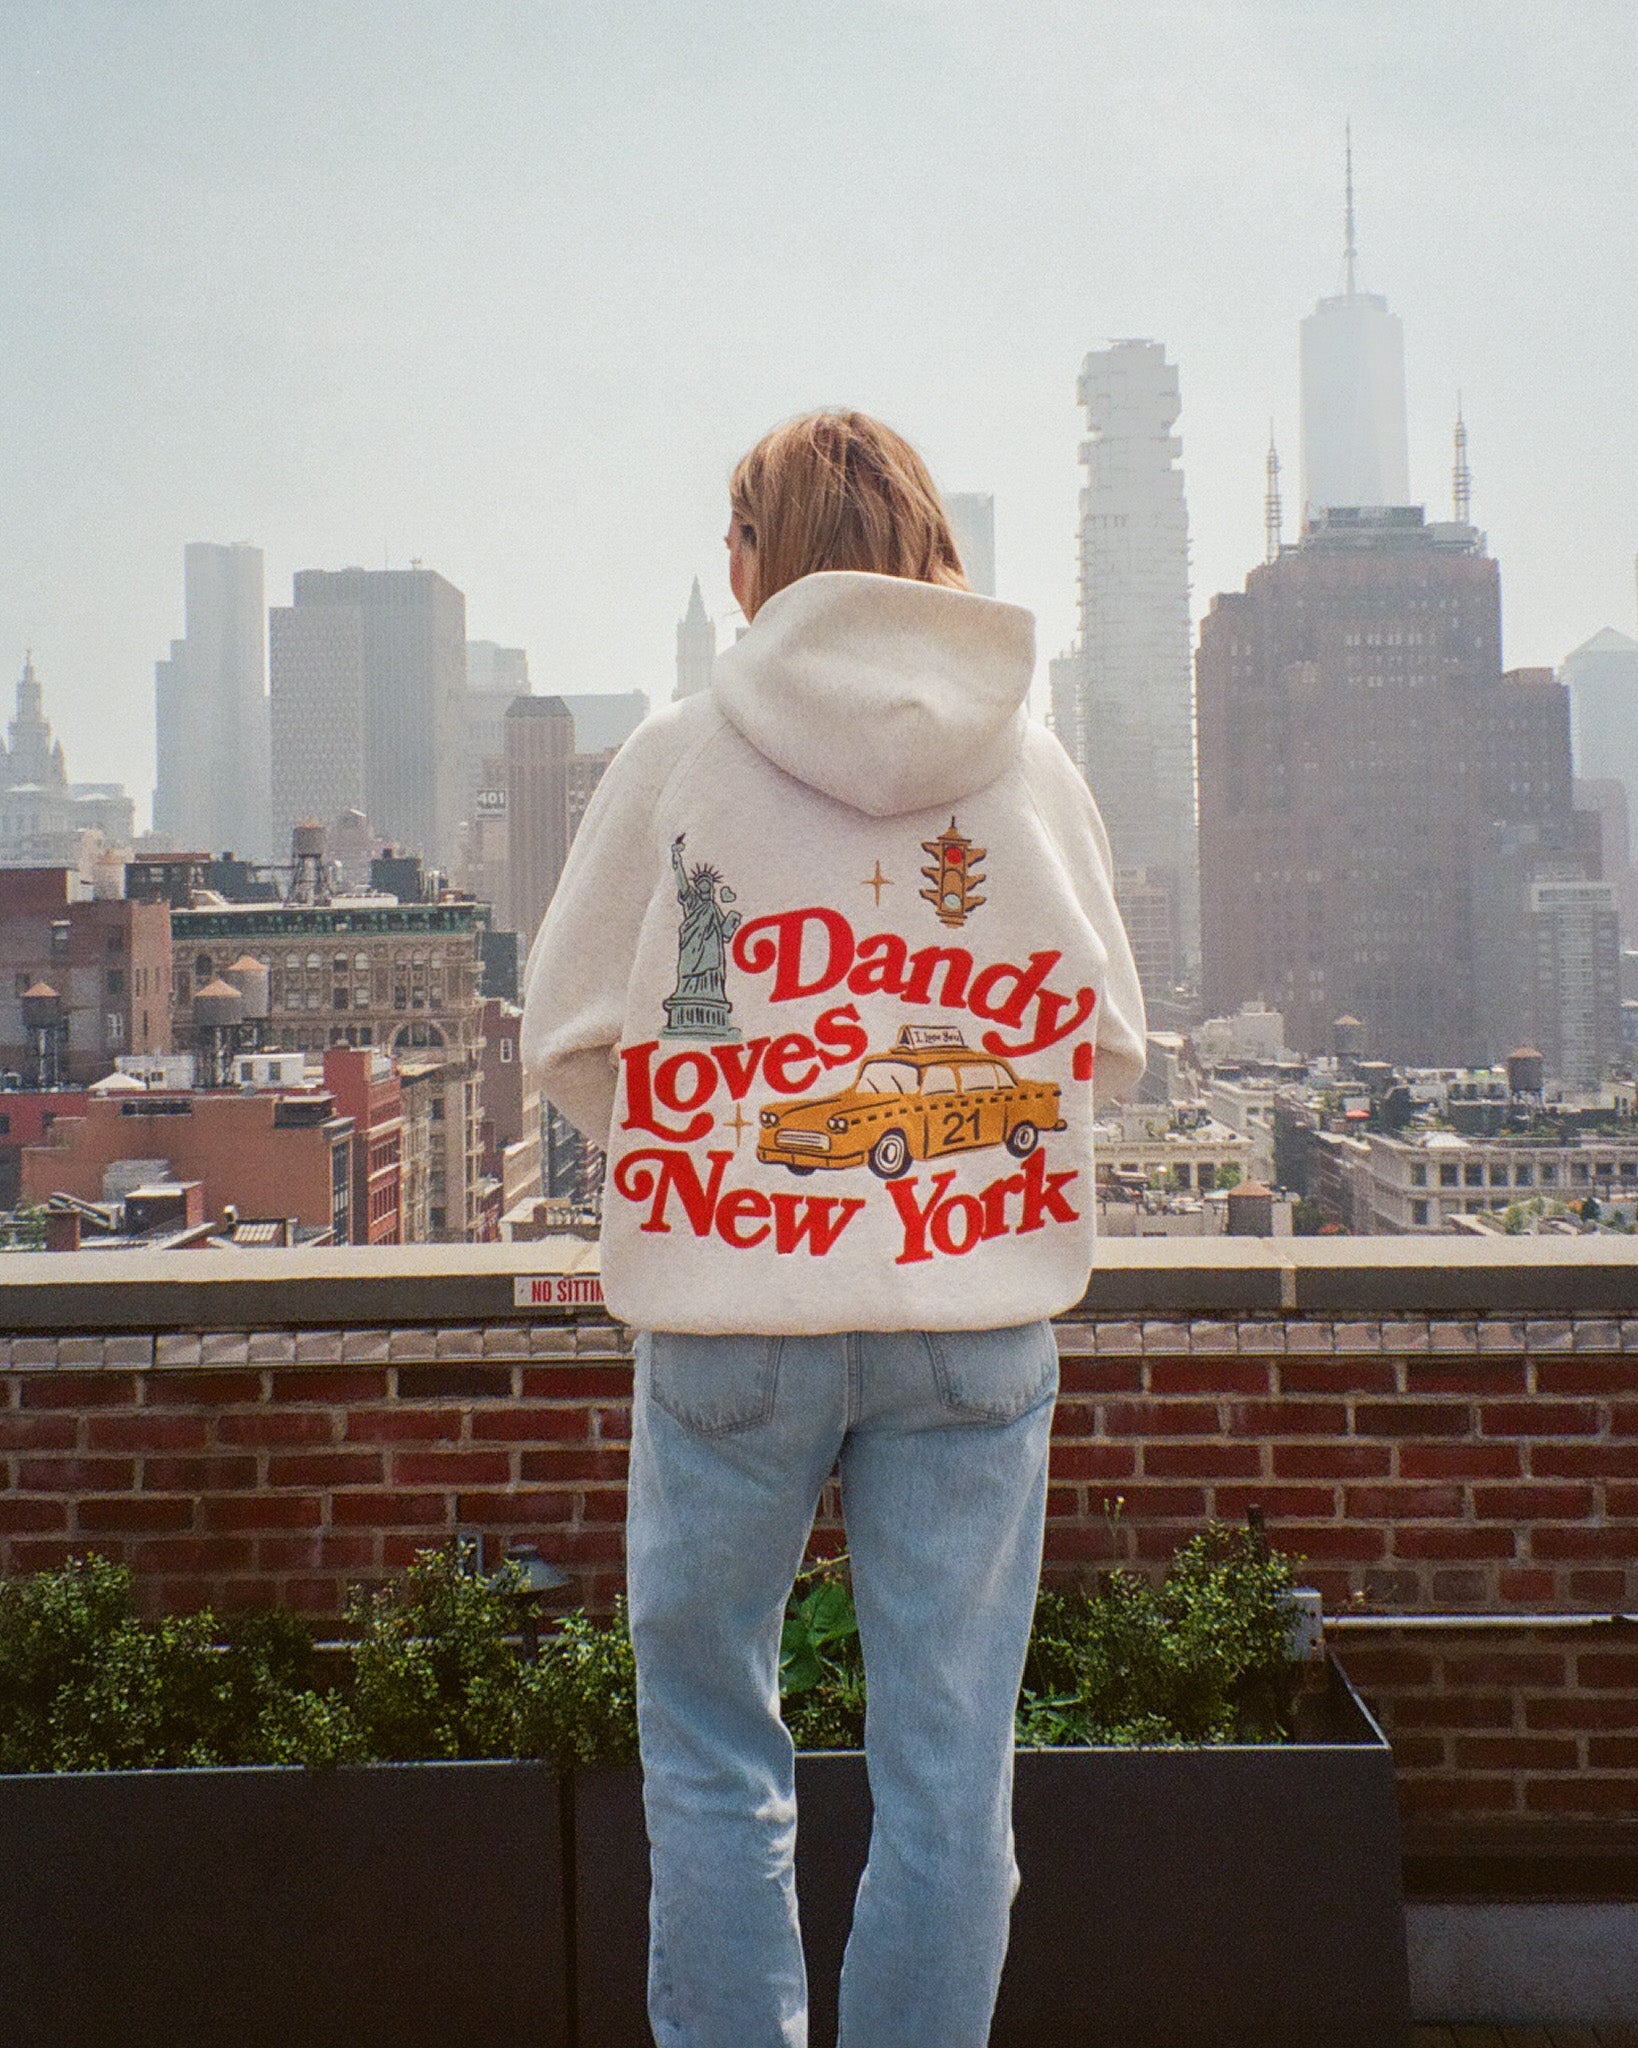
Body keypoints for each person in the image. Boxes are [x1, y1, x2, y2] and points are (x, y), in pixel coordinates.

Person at [522, 410, 1145, 2047]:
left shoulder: (677, 754)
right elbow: (1103, 1050)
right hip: (970, 1321)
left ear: (763, 554)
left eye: (733, 535)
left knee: (710, 1752)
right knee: (952, 1776)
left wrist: (720, 1172)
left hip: (730, 1320)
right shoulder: (1030, 764)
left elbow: (569, 1035)